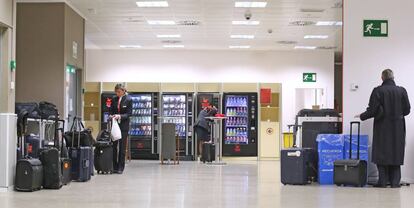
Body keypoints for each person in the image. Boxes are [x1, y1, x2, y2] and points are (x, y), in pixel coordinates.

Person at [356, 69, 410, 188]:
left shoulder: (378, 91)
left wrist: (362, 116)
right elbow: (407, 110)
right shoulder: (402, 91)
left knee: (382, 153)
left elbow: (372, 110)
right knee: (396, 152)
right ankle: (395, 183)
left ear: (382, 78)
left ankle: (382, 182)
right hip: (398, 127)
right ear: (393, 77)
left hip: (382, 127)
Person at [110, 83, 132, 174]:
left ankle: (120, 167)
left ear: (123, 91)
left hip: (123, 126)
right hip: (115, 126)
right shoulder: (114, 99)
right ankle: (114, 166)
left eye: (119, 92)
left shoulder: (129, 99)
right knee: (114, 146)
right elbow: (111, 110)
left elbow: (129, 114)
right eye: (116, 92)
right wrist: (111, 116)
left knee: (122, 148)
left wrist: (120, 116)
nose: (117, 94)